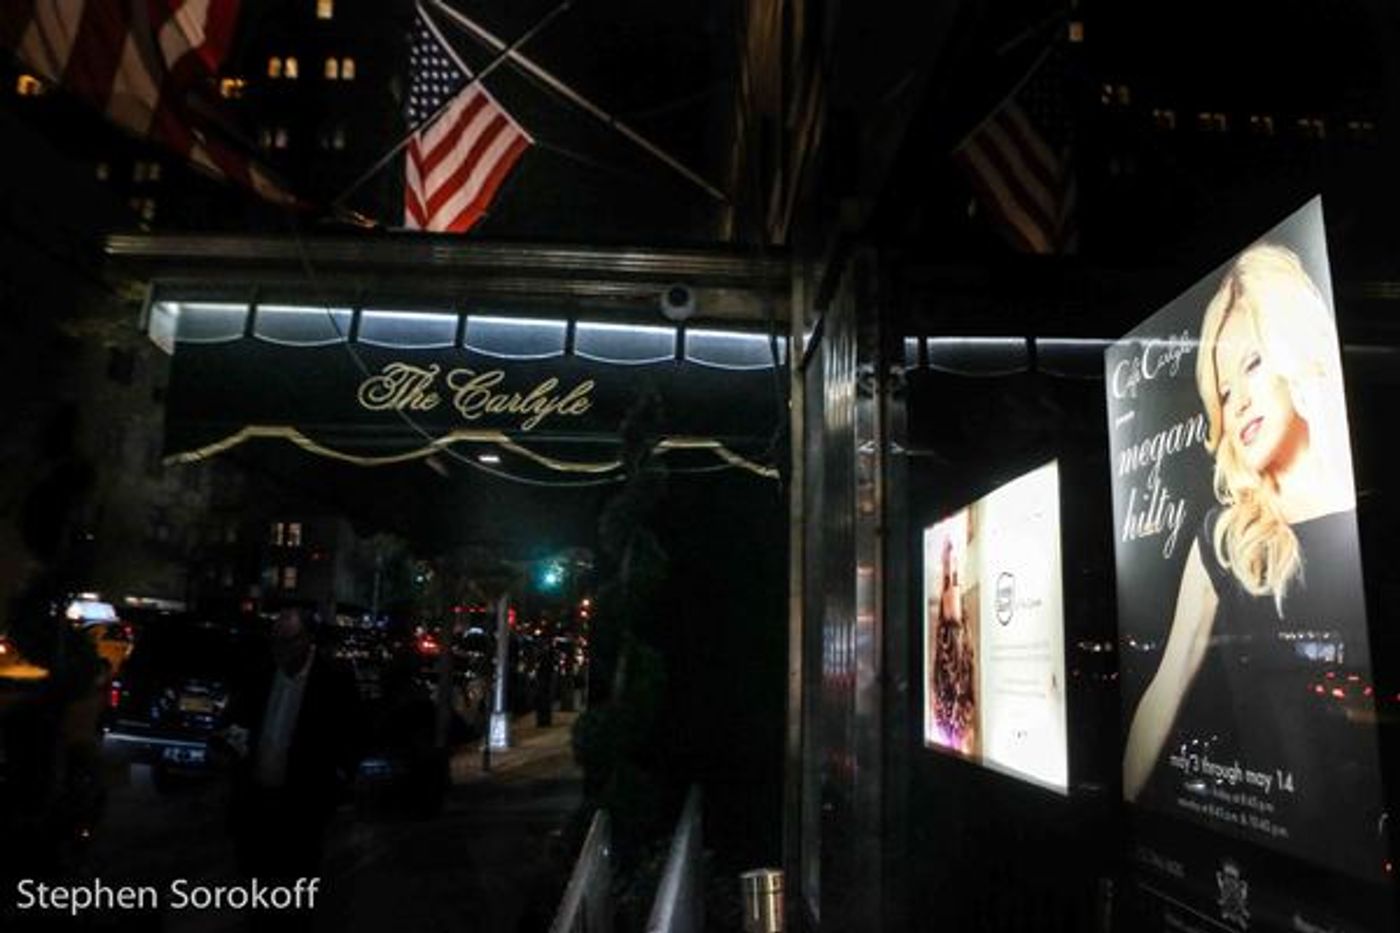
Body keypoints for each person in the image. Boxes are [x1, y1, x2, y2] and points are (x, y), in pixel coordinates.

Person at [1122, 243, 1385, 878]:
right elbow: (1163, 687)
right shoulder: (1226, 539)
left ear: (1296, 350)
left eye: (1253, 363)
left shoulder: (1367, 509)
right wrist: (1122, 821)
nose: (1236, 400)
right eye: (1223, 387)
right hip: (1279, 861)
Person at [226, 608, 363, 886]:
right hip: (258, 797)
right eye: (277, 641)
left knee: (295, 880)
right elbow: (236, 720)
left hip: (303, 804)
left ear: (307, 640)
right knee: (256, 878)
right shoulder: (261, 674)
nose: (282, 650)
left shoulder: (333, 680)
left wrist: (338, 778)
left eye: (289, 641)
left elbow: (352, 733)